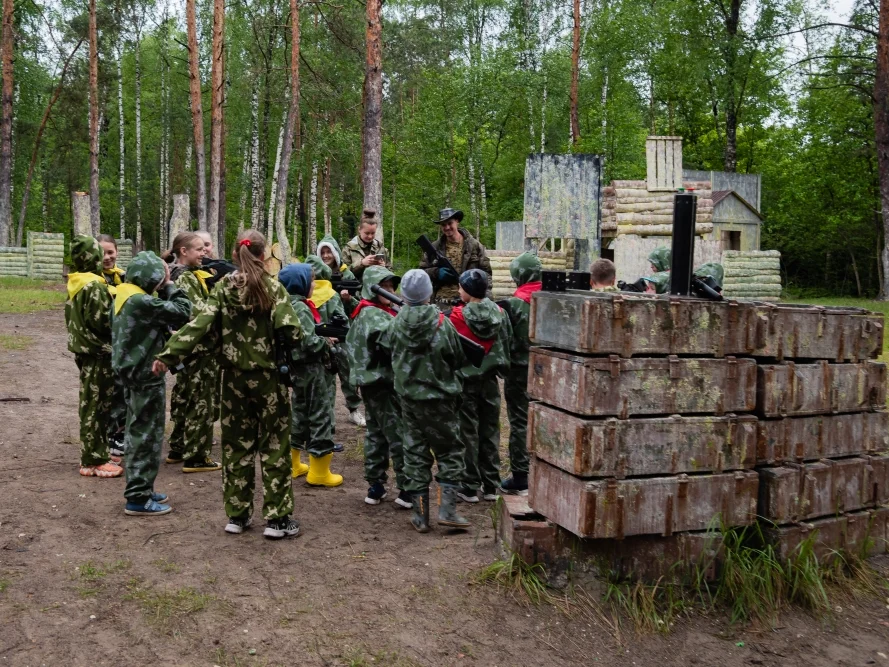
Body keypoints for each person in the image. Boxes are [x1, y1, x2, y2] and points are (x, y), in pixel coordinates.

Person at [156, 230, 303, 538]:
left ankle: (237, 515)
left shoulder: (223, 288)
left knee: (236, 446)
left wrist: (169, 355)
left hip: (233, 380)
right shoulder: (273, 288)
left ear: (235, 255)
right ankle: (277, 520)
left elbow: (199, 325)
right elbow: (292, 331)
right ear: (264, 256)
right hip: (269, 380)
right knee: (274, 446)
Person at [386, 269, 470, 533]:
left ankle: (420, 517)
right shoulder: (442, 323)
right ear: (429, 293)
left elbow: (390, 351)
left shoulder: (395, 323)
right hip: (441, 400)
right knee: (449, 451)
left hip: (409, 401)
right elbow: (457, 358)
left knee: (414, 452)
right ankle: (448, 511)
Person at [111, 251, 191, 516]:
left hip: (133, 375)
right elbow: (183, 311)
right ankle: (138, 498)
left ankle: (142, 487)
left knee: (138, 432)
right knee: (146, 436)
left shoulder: (125, 293)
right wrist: (169, 286)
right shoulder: (141, 302)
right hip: (145, 377)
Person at [343, 265, 411, 509]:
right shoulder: (375, 315)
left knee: (376, 433)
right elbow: (394, 343)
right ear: (372, 289)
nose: (390, 290)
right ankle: (407, 488)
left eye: (392, 285)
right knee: (398, 433)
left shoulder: (371, 311)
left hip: (373, 383)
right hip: (382, 384)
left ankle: (376, 485)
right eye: (384, 286)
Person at [277, 261, 344, 488]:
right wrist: (327, 342)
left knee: (300, 413)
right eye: (312, 280)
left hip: (297, 369)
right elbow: (307, 342)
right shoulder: (302, 308)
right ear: (301, 283)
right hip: (312, 368)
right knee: (320, 414)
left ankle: (294, 464)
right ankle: (319, 472)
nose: (314, 284)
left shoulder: (287, 305)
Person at [162, 232, 222, 473]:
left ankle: (178, 447)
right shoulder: (185, 278)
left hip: (189, 349)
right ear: (184, 251)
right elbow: (199, 314)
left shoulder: (182, 275)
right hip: (199, 350)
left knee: (185, 395)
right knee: (201, 401)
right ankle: (197, 456)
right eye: (199, 249)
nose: (204, 252)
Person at [450, 269, 511, 504]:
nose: (458, 290)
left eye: (460, 287)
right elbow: (507, 343)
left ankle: (469, 485)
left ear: (467, 290)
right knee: (490, 432)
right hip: (490, 381)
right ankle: (491, 485)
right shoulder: (500, 314)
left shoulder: (458, 316)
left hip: (465, 382)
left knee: (467, 433)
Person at [65, 235, 123, 479]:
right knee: (96, 408)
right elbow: (103, 322)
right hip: (99, 353)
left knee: (93, 404)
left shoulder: (77, 282)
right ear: (94, 257)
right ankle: (94, 460)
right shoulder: (95, 286)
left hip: (86, 351)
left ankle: (96, 455)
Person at [305, 254, 365, 428]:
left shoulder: (304, 294)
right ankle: (333, 421)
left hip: (319, 346)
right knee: (340, 380)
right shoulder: (330, 294)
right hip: (333, 344)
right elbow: (343, 320)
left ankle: (320, 421)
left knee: (324, 384)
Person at [499, 252, 542, 496]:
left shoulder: (512, 305)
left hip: (519, 372)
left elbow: (503, 342)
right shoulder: (553, 298)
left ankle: (520, 475)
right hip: (550, 370)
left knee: (519, 422)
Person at [419, 208, 492, 306]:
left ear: (457, 221)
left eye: (450, 223)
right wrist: (436, 272)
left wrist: (486, 299)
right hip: (440, 303)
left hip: (467, 303)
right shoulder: (434, 247)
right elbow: (421, 272)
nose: (447, 227)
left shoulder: (474, 246)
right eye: (443, 225)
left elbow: (486, 274)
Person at [95, 234, 127, 456]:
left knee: (124, 391)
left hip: (125, 344)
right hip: (105, 345)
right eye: (102, 253)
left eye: (110, 252)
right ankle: (108, 436)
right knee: (108, 392)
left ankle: (120, 434)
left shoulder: (124, 277)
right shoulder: (94, 280)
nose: (107, 257)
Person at [341, 209, 392, 281]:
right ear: (359, 229)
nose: (370, 236)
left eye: (373, 233)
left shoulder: (380, 248)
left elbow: (390, 274)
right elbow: (343, 273)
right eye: (367, 233)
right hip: (356, 288)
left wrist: (383, 268)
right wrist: (361, 264)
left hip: (377, 288)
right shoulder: (349, 248)